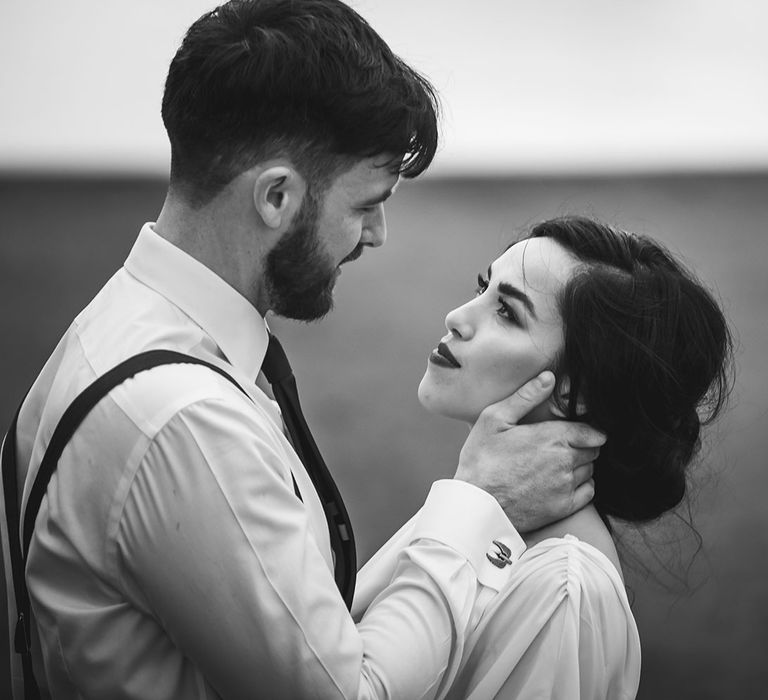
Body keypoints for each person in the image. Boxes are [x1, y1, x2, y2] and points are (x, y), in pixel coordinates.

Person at [0, 2, 604, 698]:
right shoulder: (187, 422)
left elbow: (298, 635)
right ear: (278, 196)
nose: (376, 234)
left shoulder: (108, 331)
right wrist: (479, 500)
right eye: (365, 203)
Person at [353, 216, 733, 699]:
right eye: (483, 288)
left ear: (577, 393)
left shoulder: (563, 591)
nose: (458, 317)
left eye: (508, 312)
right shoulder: (474, 508)